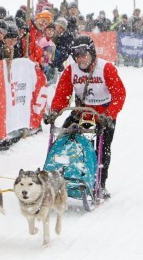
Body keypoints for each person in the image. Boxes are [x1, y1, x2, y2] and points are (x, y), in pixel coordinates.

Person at [45, 35, 126, 198]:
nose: (80, 59)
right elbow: (62, 94)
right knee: (64, 138)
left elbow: (119, 94)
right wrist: (55, 111)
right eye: (76, 55)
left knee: (103, 149)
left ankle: (100, 184)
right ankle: (60, 174)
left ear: (92, 52)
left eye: (83, 54)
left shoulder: (106, 68)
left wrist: (110, 115)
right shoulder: (71, 70)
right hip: (82, 111)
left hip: (103, 113)